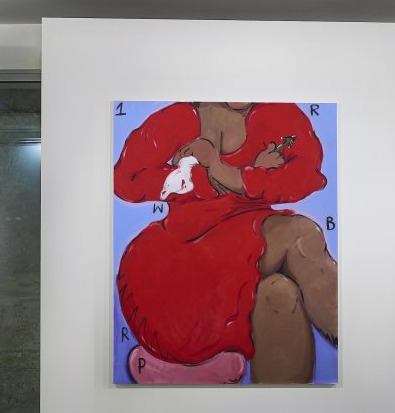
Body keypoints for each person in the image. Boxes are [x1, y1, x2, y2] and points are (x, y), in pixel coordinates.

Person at [114, 102, 338, 384]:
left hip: (249, 237)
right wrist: (203, 175)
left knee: (279, 293)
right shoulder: (176, 119)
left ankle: (285, 408)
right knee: (302, 234)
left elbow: (305, 176)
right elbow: (125, 180)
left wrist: (226, 172)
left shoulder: (278, 115)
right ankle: (363, 346)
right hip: (179, 262)